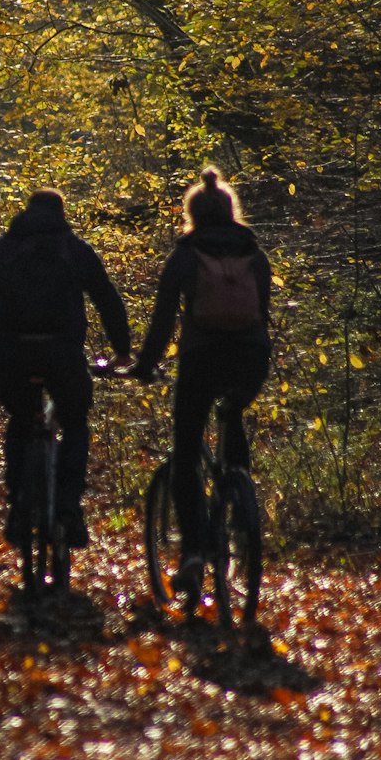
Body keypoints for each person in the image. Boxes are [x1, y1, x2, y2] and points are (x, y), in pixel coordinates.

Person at [132, 167, 272, 599]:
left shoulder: (186, 256)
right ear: (232, 211)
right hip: (250, 358)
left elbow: (161, 322)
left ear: (192, 212)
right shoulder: (255, 253)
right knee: (233, 417)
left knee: (187, 449)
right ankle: (241, 509)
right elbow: (262, 315)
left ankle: (193, 552)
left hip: (201, 359)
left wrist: (145, 364)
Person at [0, 188, 132, 548]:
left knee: (20, 421)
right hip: (63, 354)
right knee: (74, 422)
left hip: (15, 353)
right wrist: (121, 350)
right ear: (61, 213)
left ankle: (18, 508)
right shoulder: (75, 249)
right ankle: (69, 508)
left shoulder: (6, 248)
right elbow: (106, 298)